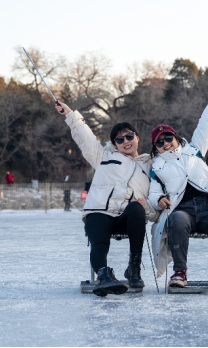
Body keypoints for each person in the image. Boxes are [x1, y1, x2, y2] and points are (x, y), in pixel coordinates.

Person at [56, 100, 157, 297]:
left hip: (127, 219)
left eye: (129, 136)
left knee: (137, 208)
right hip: (100, 212)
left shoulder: (150, 164)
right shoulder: (104, 157)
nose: (126, 142)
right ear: (114, 144)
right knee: (98, 229)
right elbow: (84, 137)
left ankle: (133, 268)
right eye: (119, 140)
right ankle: (103, 275)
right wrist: (70, 114)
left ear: (137, 137)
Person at [148, 81, 208, 289]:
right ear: (156, 147)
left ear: (175, 137)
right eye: (159, 142)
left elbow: (207, 122)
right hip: (184, 211)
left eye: (168, 138)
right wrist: (159, 199)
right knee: (177, 220)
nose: (165, 143)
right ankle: (179, 272)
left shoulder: (194, 150)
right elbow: (153, 193)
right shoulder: (157, 167)